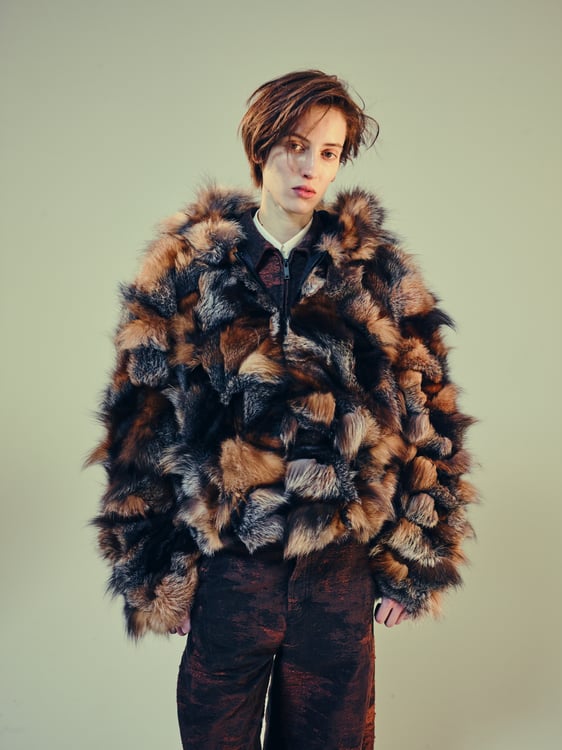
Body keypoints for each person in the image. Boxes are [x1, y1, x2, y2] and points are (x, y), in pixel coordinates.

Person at [88, 69, 476, 750]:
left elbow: (430, 419)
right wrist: (156, 571)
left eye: (328, 152)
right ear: (261, 146)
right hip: (230, 571)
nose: (310, 167)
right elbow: (139, 425)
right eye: (296, 146)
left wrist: (415, 557)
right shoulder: (188, 269)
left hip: (338, 574)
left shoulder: (377, 274)